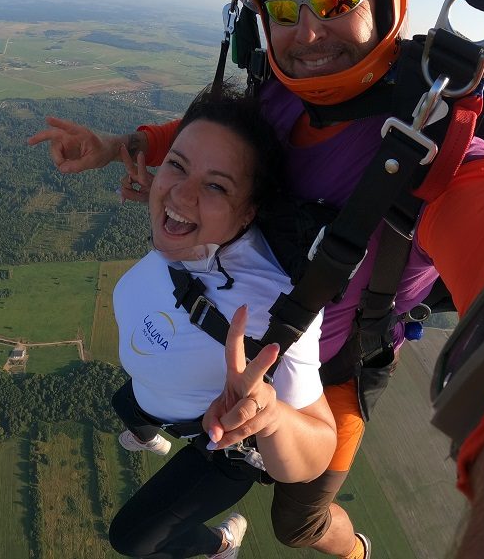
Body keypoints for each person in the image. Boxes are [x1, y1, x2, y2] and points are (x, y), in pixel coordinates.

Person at [30, 0, 484, 558]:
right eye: (284, 11)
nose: (306, 32)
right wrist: (120, 145)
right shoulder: (277, 89)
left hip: (333, 365)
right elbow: (214, 145)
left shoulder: (430, 144)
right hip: (234, 313)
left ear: (386, 0)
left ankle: (354, 551)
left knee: (296, 522)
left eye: (334, 3)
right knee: (150, 390)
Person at [106, 90, 336, 559]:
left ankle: (219, 546)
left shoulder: (274, 306)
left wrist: (269, 416)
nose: (182, 194)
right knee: (127, 403)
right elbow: (178, 201)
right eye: (177, 165)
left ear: (247, 213)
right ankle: (148, 433)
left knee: (131, 539)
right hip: (158, 395)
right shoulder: (185, 228)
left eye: (216, 186)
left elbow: (318, 452)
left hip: (221, 446)